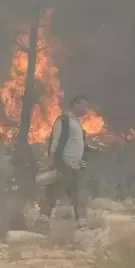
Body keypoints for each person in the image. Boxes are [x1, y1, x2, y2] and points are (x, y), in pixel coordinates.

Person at [39, 95, 93, 228]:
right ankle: (42, 221)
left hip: (75, 166)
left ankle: (81, 224)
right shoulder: (63, 120)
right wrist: (52, 161)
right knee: (53, 192)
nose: (85, 109)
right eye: (83, 106)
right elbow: (55, 141)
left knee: (78, 194)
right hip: (64, 164)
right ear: (75, 105)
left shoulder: (77, 123)